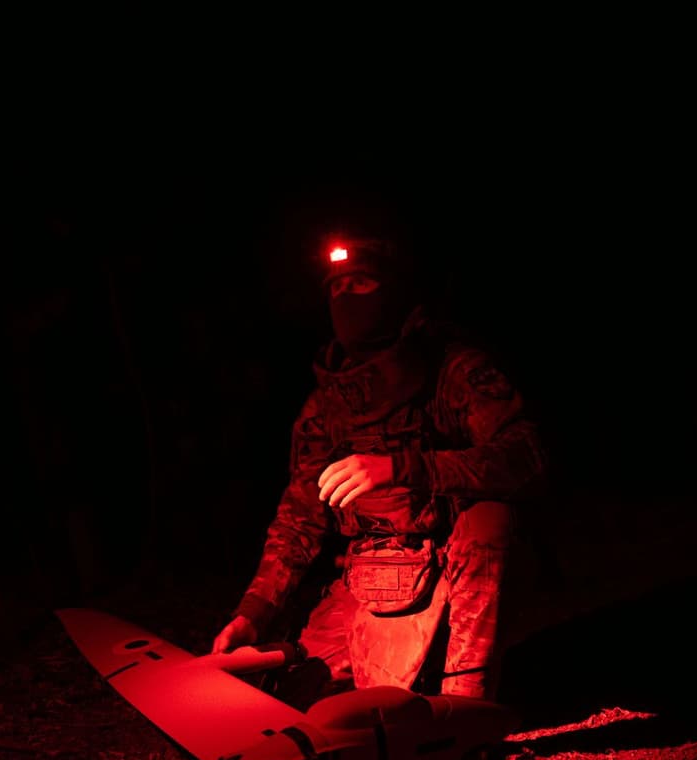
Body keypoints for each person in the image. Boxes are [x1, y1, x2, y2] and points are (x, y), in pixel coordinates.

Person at [210, 225, 549, 712]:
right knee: (302, 699)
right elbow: (299, 516)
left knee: (489, 518)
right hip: (372, 571)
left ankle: (465, 706)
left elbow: (527, 456)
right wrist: (253, 613)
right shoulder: (327, 405)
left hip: (456, 561)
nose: (346, 297)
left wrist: (404, 468)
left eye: (361, 283)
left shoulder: (452, 372)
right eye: (336, 287)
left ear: (395, 292)